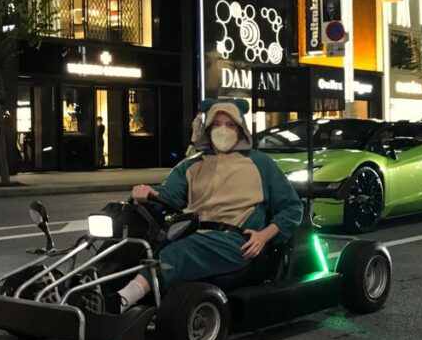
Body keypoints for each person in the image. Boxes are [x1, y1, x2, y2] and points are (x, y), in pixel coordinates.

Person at [109, 98, 303, 313]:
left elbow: (291, 208)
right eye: (217, 124)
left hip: (234, 240)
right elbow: (169, 195)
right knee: (137, 244)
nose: (223, 130)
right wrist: (150, 193)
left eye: (230, 125)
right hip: (190, 232)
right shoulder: (191, 165)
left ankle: (122, 300)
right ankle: (93, 287)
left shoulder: (260, 163)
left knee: (178, 253)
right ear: (207, 130)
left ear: (240, 130)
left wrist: (264, 235)